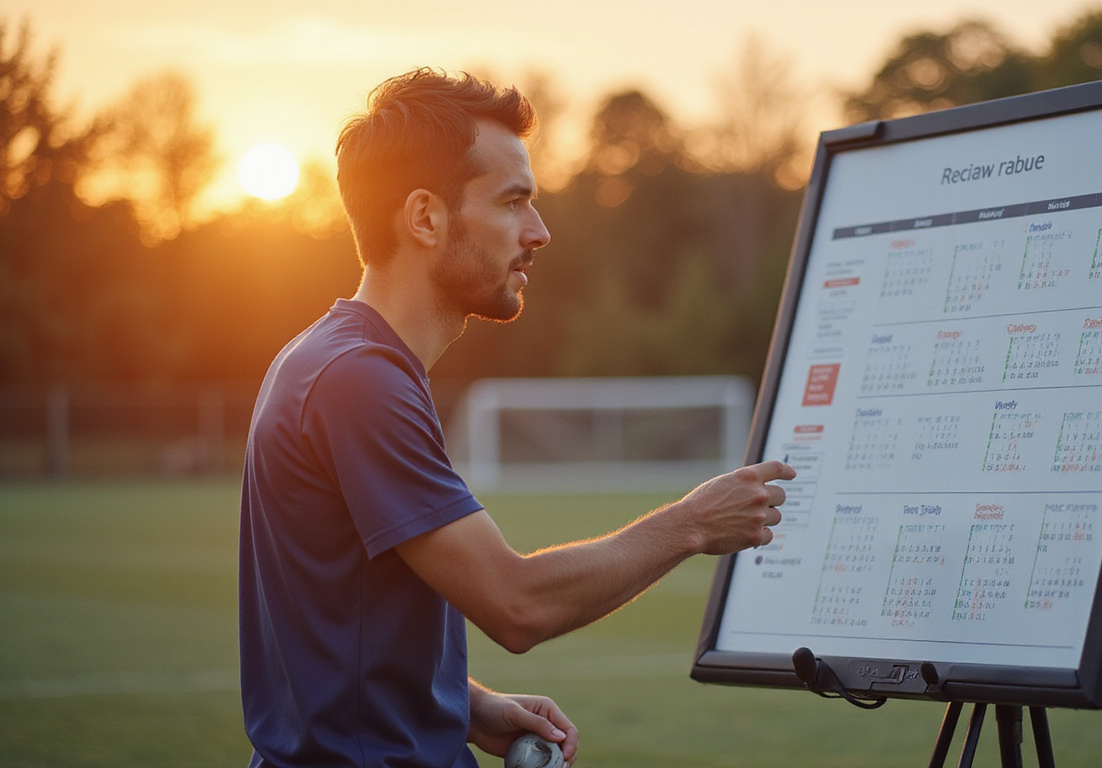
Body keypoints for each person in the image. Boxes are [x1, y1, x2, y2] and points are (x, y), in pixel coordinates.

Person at [238, 67, 794, 768]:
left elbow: (331, 624)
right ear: (424, 217)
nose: (539, 231)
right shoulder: (359, 381)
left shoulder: (324, 357)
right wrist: (691, 524)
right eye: (512, 202)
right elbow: (517, 605)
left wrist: (461, 703)